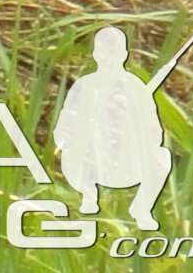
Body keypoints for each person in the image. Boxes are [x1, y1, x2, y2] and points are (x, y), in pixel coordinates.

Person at [55, 27, 173, 229]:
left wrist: (132, 133)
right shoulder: (85, 85)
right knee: (71, 154)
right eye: (103, 52)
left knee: (162, 158)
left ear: (124, 55)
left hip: (126, 163)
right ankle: (89, 198)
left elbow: (154, 131)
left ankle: (142, 209)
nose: (108, 58)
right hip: (89, 163)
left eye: (114, 53)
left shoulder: (135, 87)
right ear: (95, 55)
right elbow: (64, 128)